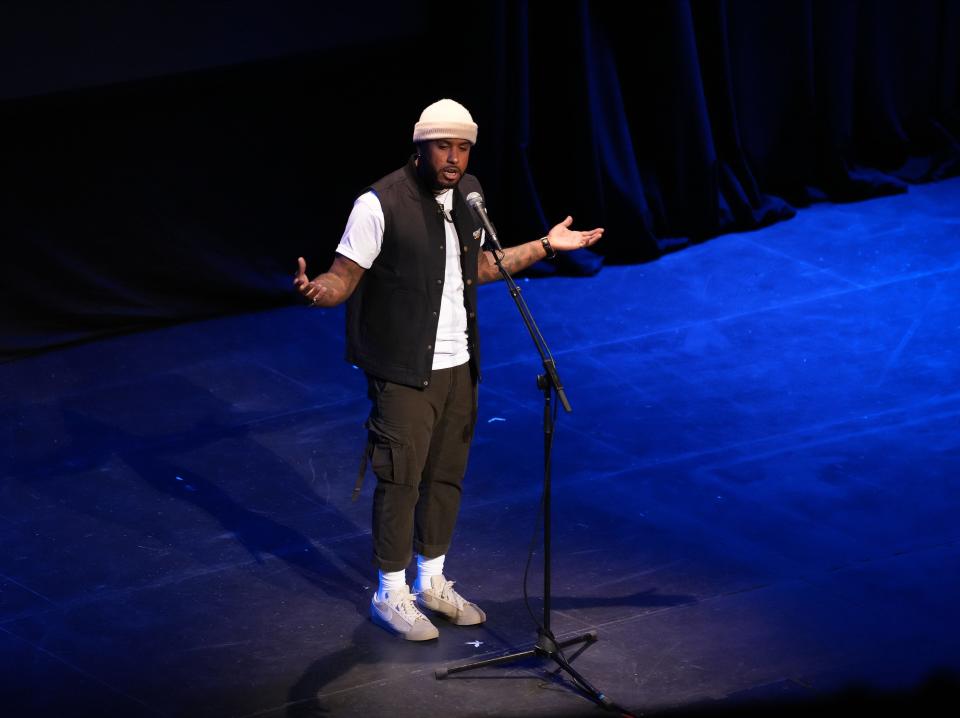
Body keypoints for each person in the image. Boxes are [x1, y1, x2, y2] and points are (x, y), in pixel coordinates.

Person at [294, 99, 603, 641]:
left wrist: (546, 245)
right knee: (401, 479)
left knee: (444, 478)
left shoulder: (469, 195)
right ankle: (390, 594)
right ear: (420, 145)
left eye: (463, 147)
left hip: (460, 363)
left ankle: (431, 581)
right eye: (444, 146)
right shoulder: (378, 204)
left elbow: (478, 267)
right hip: (404, 369)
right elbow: (343, 277)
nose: (454, 157)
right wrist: (317, 292)